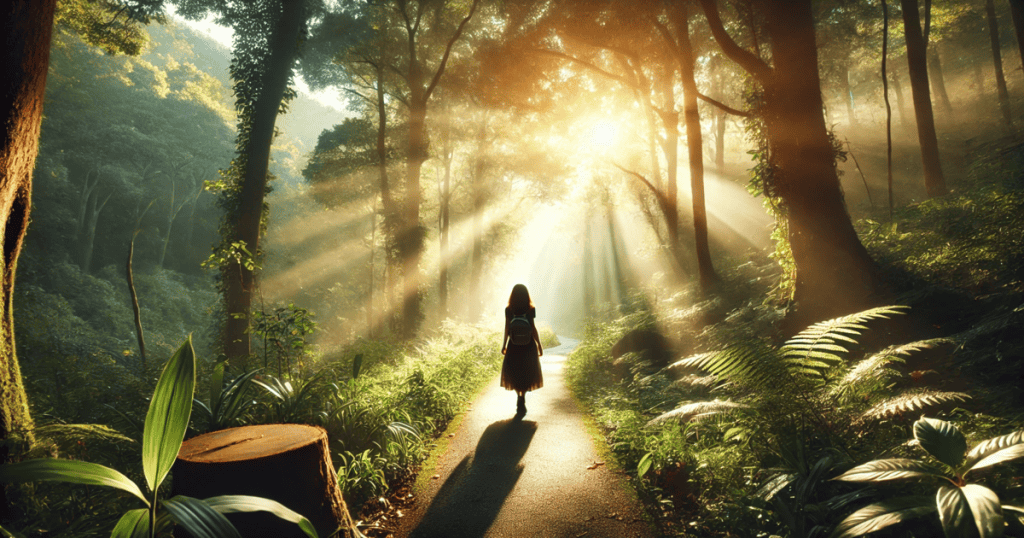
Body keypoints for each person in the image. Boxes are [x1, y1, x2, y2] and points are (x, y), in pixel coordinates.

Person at [500, 284, 544, 415]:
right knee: (527, 371)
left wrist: (504, 345)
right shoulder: (530, 309)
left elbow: (507, 328)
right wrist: (539, 344)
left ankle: (518, 396)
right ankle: (522, 397)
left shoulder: (509, 309)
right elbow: (532, 327)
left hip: (513, 345)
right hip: (528, 345)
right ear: (526, 295)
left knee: (514, 372)